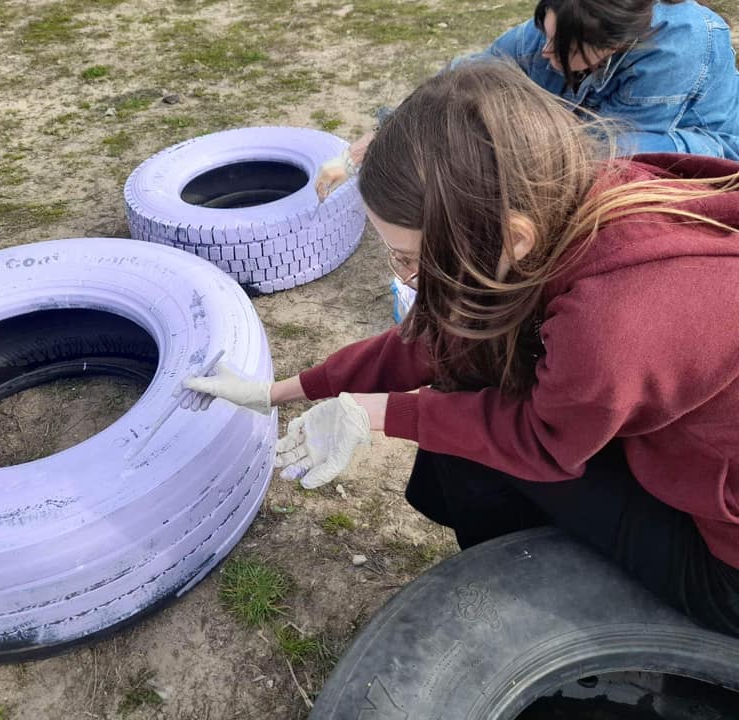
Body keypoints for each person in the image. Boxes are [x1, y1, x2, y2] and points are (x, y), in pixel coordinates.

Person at [185, 61, 739, 637]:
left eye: (409, 258)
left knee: (466, 436)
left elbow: (543, 443)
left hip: (724, 562)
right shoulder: (568, 196)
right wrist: (276, 391)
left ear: (512, 237)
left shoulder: (616, 321)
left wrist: (382, 413)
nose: (403, 274)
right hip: (682, 457)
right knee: (465, 393)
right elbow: (443, 340)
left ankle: (524, 611)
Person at [316, 0, 739, 200]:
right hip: (591, 125)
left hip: (688, 144)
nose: (544, 52)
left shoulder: (680, 47)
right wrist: (385, 131)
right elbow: (466, 75)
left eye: (560, 47)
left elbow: (611, 148)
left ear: (610, 45)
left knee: (567, 163)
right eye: (546, 35)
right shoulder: (560, 25)